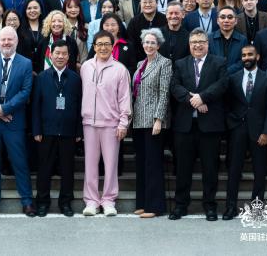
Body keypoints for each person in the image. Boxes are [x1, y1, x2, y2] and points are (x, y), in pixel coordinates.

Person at [169, 29, 227, 221]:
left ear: (207, 44)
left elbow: (222, 85)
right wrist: (192, 100)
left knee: (210, 169)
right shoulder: (180, 63)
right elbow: (175, 86)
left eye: (201, 41)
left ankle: (210, 206)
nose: (197, 45)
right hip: (184, 126)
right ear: (189, 44)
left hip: (210, 126)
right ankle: (180, 205)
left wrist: (202, 97)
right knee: (183, 169)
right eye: (194, 42)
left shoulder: (219, 62)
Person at [0, 26, 36, 217]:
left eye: (10, 39)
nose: (6, 43)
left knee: (20, 162)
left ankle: (27, 201)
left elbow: (25, 91)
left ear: (16, 41)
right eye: (3, 39)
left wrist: (6, 109)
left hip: (14, 121)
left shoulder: (26, 63)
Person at [80, 29, 132, 216]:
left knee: (111, 165)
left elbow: (125, 98)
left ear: (113, 46)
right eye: (99, 44)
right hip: (89, 123)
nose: (103, 48)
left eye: (107, 44)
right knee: (90, 165)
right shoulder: (86, 67)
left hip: (111, 124)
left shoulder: (120, 69)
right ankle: (91, 201)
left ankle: (109, 200)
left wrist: (123, 123)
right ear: (94, 47)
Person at [223, 43, 267, 219]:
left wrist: (266, 132)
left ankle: (256, 208)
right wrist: (231, 124)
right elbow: (227, 104)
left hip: (259, 133)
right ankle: (230, 207)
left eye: (250, 54)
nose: (246, 58)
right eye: (244, 55)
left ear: (257, 57)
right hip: (237, 130)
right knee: (234, 171)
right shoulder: (233, 78)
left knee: (260, 172)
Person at [32, 39, 82, 217]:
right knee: (44, 169)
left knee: (67, 169)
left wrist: (78, 131)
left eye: (64, 54)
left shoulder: (75, 79)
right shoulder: (41, 78)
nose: (60, 56)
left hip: (68, 131)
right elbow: (36, 106)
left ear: (68, 56)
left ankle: (65, 203)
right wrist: (36, 130)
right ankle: (42, 202)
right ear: (51, 55)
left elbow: (79, 106)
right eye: (57, 53)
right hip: (46, 131)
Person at [129, 28, 171, 218]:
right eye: (146, 42)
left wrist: (158, 120)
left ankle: (154, 206)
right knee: (141, 163)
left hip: (154, 121)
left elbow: (164, 93)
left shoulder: (165, 63)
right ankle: (143, 203)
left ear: (158, 45)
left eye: (153, 42)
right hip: (138, 120)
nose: (149, 45)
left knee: (153, 164)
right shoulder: (141, 64)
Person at [208, 7, 249, 75]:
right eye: (222, 17)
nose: (226, 20)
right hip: (215, 77)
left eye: (230, 17)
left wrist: (226, 72)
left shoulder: (243, 40)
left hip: (235, 77)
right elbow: (207, 60)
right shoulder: (209, 39)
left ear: (236, 21)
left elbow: (243, 61)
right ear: (217, 21)